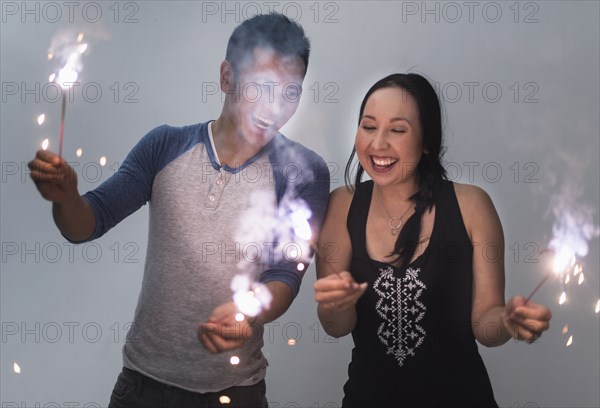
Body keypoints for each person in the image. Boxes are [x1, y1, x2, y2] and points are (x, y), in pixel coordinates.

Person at [28, 13, 330, 408]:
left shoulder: (303, 171)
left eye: (290, 92)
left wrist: (249, 312)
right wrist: (66, 198)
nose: (274, 106)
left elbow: (285, 274)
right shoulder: (164, 146)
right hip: (143, 387)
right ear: (226, 77)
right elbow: (87, 224)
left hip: (236, 392)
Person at [313, 73, 552, 407]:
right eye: (368, 127)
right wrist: (334, 303)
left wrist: (508, 322)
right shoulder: (341, 205)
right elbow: (336, 327)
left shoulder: (471, 205)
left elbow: (486, 326)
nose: (378, 144)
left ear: (426, 141)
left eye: (397, 130)